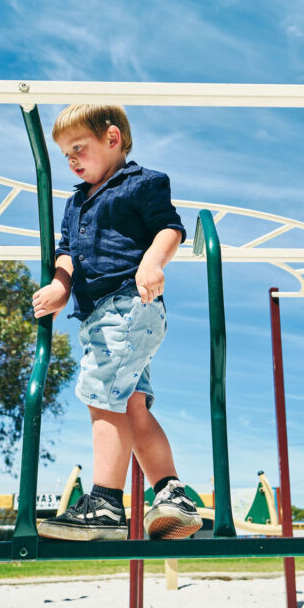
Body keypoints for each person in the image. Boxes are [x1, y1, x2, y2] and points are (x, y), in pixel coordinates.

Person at [31, 104, 202, 541]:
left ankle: (105, 504)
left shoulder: (142, 183)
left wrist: (152, 261)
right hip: (101, 317)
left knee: (102, 396)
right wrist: (60, 286)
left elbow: (169, 229)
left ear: (112, 138)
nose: (71, 160)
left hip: (128, 303)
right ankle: (172, 495)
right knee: (131, 405)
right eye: (65, 154)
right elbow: (66, 252)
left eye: (78, 148)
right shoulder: (75, 202)